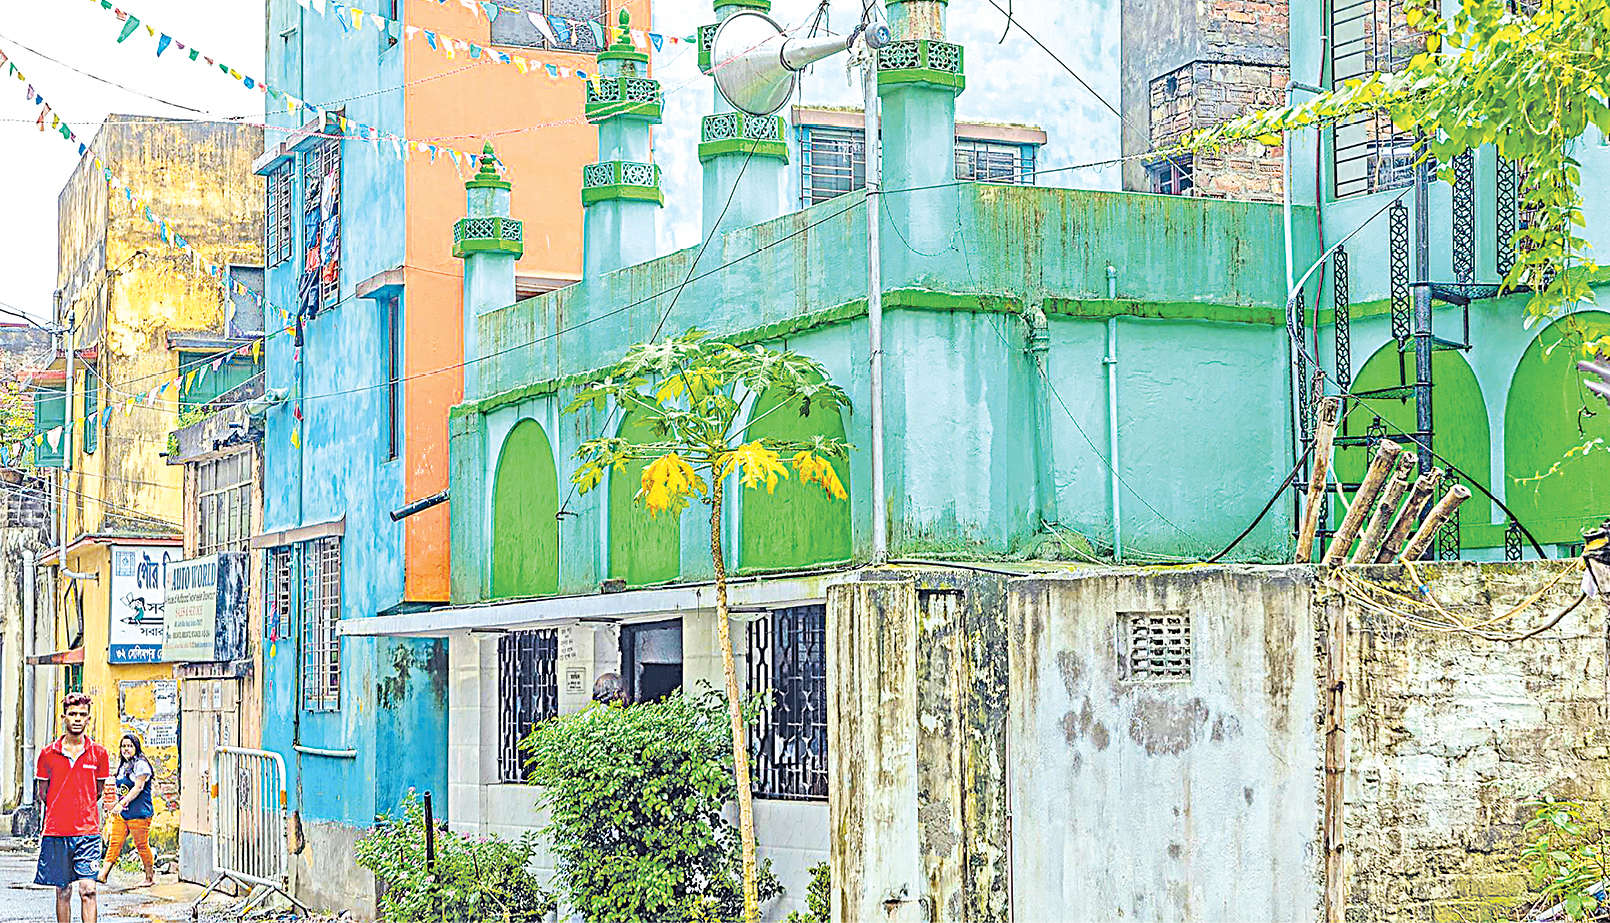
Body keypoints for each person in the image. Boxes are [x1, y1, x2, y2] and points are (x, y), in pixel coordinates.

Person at [35, 692, 110, 923]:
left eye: (82, 714)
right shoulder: (47, 754)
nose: (77, 718)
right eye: (73, 714)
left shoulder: (99, 754)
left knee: (89, 890)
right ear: (64, 717)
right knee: (63, 890)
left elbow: (97, 791)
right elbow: (43, 793)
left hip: (88, 832)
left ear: (88, 719)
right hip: (57, 832)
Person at [98, 734, 155, 887]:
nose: (126, 749)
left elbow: (138, 787)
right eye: (123, 746)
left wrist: (121, 803)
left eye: (130, 746)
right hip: (123, 813)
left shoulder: (141, 765)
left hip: (139, 813)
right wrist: (115, 804)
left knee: (141, 845)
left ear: (136, 748)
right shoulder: (123, 766)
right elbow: (122, 790)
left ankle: (149, 877)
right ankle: (103, 875)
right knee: (114, 843)